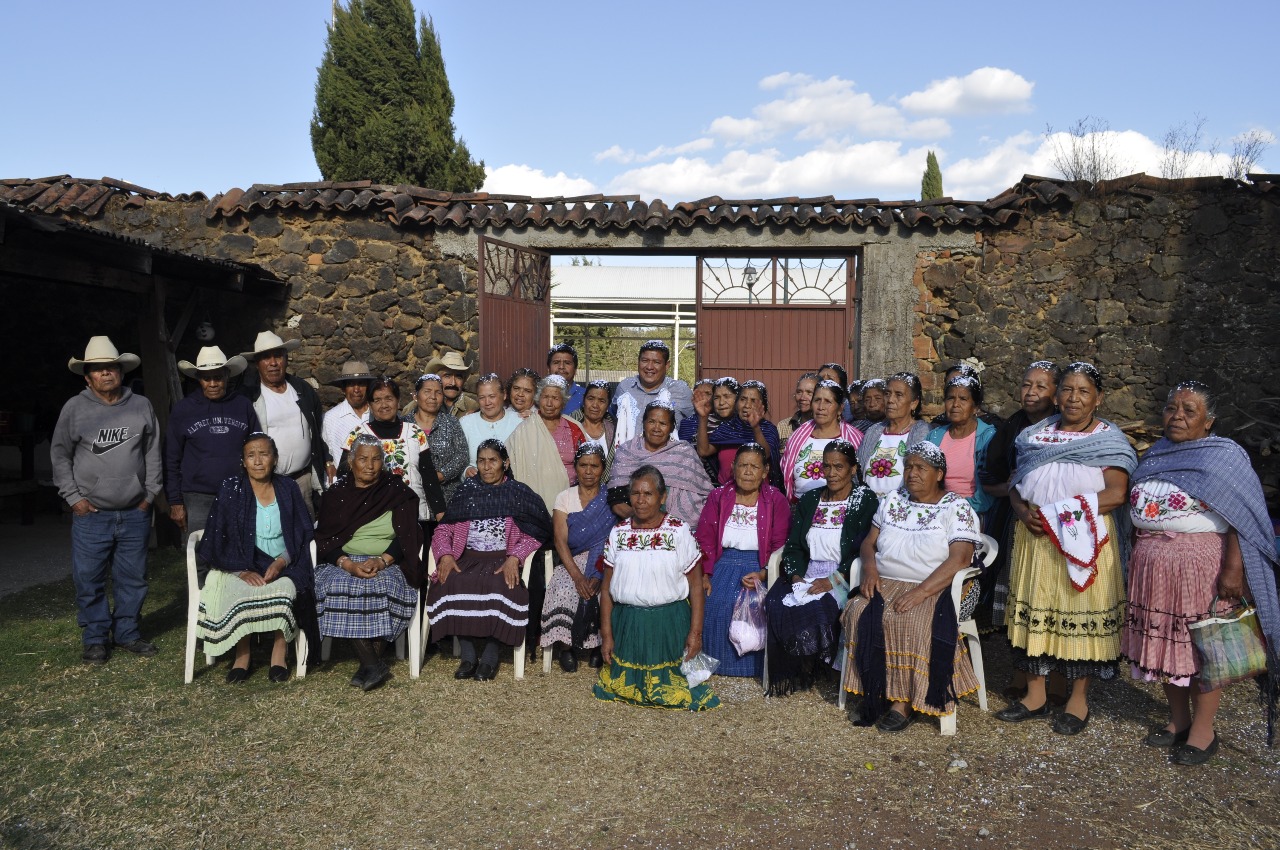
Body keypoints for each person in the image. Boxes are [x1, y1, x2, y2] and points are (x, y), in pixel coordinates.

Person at [1121, 381, 1280, 763]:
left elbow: (1242, 518)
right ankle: (1178, 722)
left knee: (1204, 649)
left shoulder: (1224, 457)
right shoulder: (1157, 453)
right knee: (1165, 647)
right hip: (1152, 567)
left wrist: (1233, 569)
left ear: (1208, 422)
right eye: (1171, 408)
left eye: (1189, 410)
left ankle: (1204, 732)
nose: (1177, 416)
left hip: (1201, 565)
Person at [995, 362, 1137, 736]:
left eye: (1083, 391)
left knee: (1080, 614)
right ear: (1056, 396)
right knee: (1036, 612)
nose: (1074, 398)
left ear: (1098, 398)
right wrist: (1023, 510)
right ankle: (1036, 696)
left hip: (1084, 539)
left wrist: (1061, 514)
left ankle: (1078, 701)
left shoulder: (1108, 439)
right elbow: (1016, 484)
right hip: (1035, 538)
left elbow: (1117, 493)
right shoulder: (1035, 435)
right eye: (1068, 390)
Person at [842, 442, 983, 731]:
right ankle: (876, 690)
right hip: (886, 579)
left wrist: (920, 592)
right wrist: (869, 568)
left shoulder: (956, 507)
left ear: (939, 473)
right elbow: (869, 541)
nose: (912, 473)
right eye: (908, 467)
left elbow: (960, 559)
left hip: (938, 585)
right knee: (858, 611)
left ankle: (904, 702)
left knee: (911, 620)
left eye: (921, 468)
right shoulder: (894, 499)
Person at [52, 336, 162, 663]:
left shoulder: (140, 405)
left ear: (121, 371)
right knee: (89, 578)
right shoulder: (75, 408)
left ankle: (127, 632)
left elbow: (153, 452)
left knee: (133, 578)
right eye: (98, 370)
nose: (105, 374)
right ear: (87, 377)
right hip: (91, 514)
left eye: (111, 367)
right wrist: (74, 499)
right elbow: (59, 456)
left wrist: (150, 495)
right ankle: (96, 636)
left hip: (134, 511)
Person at [593, 465, 720, 711]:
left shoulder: (678, 531)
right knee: (625, 688)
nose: (640, 500)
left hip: (668, 624)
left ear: (662, 497)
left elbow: (696, 586)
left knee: (674, 689)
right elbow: (607, 588)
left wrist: (695, 633)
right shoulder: (618, 533)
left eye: (648, 494)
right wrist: (607, 635)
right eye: (636, 493)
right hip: (628, 623)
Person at [427, 439, 553, 680]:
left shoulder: (518, 493)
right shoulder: (466, 491)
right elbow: (443, 530)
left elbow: (535, 532)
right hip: (467, 558)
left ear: (504, 463)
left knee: (503, 586)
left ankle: (491, 656)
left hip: (501, 559)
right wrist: (444, 554)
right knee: (450, 582)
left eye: (492, 461)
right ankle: (468, 655)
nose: (486, 467)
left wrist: (515, 557)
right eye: (482, 461)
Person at [195, 433, 315, 683]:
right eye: (251, 455)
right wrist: (241, 570)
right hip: (240, 562)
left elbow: (301, 533)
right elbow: (219, 536)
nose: (258, 461)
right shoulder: (231, 488)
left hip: (284, 562)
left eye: (264, 454)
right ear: (243, 461)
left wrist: (281, 561)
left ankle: (279, 653)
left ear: (275, 459)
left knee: (286, 589)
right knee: (236, 589)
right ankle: (242, 655)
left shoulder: (288, 487)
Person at [313, 435, 425, 691]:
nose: (370, 465)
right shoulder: (337, 494)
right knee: (341, 585)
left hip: (388, 561)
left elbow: (409, 534)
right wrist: (348, 564)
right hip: (343, 562)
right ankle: (373, 663)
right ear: (351, 461)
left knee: (381, 585)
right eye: (363, 459)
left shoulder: (396, 492)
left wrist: (383, 560)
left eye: (376, 459)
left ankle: (369, 664)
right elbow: (325, 539)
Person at [767, 440, 877, 695]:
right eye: (826, 466)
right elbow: (794, 546)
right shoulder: (811, 499)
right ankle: (798, 665)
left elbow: (864, 549)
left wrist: (832, 580)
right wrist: (795, 576)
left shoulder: (864, 499)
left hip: (845, 574)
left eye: (839, 466)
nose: (831, 473)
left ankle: (817, 662)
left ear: (853, 469)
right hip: (806, 572)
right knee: (775, 601)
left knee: (819, 606)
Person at [694, 444, 791, 678]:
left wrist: (764, 573)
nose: (748, 472)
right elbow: (704, 538)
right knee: (715, 600)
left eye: (754, 466)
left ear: (765, 471)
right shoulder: (719, 496)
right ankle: (716, 662)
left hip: (760, 566)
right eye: (743, 465)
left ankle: (751, 668)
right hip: (723, 562)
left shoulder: (775, 500)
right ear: (733, 468)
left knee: (753, 605)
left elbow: (780, 544)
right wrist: (705, 574)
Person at [981, 360, 1061, 630]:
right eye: (1026, 385)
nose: (1031, 391)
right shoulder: (1013, 426)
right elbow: (990, 478)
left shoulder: (1066, 427)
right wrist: (1018, 489)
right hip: (1015, 516)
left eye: (1040, 386)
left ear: (1056, 392)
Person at [165, 346, 259, 541]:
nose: (213, 383)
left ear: (227, 376)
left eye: (218, 377)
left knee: (239, 550)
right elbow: (171, 458)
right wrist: (175, 501)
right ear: (199, 379)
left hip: (238, 492)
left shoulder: (243, 405)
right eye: (207, 378)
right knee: (198, 553)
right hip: (197, 497)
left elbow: (257, 448)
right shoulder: (184, 410)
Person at [238, 331, 327, 518]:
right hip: (268, 483)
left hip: (302, 480)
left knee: (306, 534)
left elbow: (318, 429)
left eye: (278, 356)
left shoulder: (302, 389)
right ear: (257, 364)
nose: (273, 363)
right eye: (266, 358)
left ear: (286, 359)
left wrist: (326, 460)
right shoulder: (249, 397)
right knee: (271, 535)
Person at [542, 444, 614, 672]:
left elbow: (612, 539)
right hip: (571, 560)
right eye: (584, 465)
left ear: (603, 468)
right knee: (562, 586)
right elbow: (560, 541)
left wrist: (599, 573)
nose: (589, 471)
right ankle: (566, 647)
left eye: (594, 466)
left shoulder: (610, 498)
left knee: (608, 590)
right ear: (576, 468)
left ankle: (597, 647)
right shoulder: (564, 497)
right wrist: (577, 577)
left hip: (605, 561)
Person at [338, 378, 445, 522]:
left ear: (398, 401)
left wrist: (440, 512)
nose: (384, 405)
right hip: (371, 515)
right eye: (377, 400)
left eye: (389, 398)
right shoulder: (358, 434)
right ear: (369, 405)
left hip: (413, 513)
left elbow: (428, 475)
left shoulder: (414, 432)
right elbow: (344, 475)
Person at [608, 401, 713, 531]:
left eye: (663, 423)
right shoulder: (627, 451)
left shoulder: (685, 452)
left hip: (682, 530)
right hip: (636, 527)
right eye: (651, 422)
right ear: (644, 423)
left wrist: (667, 525)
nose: (656, 428)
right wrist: (647, 523)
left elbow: (704, 494)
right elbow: (616, 501)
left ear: (671, 427)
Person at [508, 375, 587, 513]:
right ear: (539, 399)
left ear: (563, 402)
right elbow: (508, 462)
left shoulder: (574, 428)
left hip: (569, 504)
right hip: (531, 505)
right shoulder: (524, 428)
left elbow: (587, 463)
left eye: (555, 398)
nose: (549, 403)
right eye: (545, 397)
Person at [780, 380, 862, 502]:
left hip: (839, 510)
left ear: (840, 408)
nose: (820, 407)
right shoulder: (798, 436)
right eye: (817, 400)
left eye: (828, 401)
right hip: (799, 509)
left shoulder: (854, 439)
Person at [690, 378, 781, 487]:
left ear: (763, 406)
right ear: (737, 402)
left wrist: (755, 427)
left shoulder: (768, 429)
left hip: (758, 494)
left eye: (753, 401)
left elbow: (765, 454)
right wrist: (703, 418)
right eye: (743, 399)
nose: (747, 405)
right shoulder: (728, 428)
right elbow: (703, 451)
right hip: (726, 494)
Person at [927, 375, 996, 515]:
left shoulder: (988, 437)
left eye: (963, 399)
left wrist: (957, 509)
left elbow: (987, 493)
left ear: (975, 407)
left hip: (974, 511)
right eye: (950, 398)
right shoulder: (934, 436)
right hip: (935, 509)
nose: (955, 404)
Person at [856, 372, 931, 497]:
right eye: (887, 394)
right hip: (871, 508)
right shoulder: (873, 431)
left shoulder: (922, 432)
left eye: (899, 395)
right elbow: (858, 471)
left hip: (902, 508)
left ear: (914, 403)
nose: (890, 400)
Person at [610, 340, 694, 440]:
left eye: (656, 362)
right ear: (638, 361)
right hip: (627, 453)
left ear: (667, 365)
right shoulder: (625, 387)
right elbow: (613, 416)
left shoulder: (681, 391)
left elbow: (694, 423)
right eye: (645, 361)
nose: (649, 367)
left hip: (668, 454)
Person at [407, 374, 469, 504]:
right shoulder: (405, 424)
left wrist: (441, 475)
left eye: (438, 393)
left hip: (448, 496)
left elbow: (462, 455)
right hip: (411, 495)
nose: (433, 397)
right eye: (427, 392)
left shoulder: (451, 422)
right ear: (415, 396)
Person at [322, 360, 373, 485]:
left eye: (361, 384)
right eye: (351, 384)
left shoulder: (377, 414)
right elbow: (324, 451)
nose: (356, 389)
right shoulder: (330, 418)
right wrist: (328, 464)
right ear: (344, 388)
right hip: (345, 485)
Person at [460, 372, 522, 475]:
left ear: (504, 395)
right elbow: (458, 461)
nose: (487, 402)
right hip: (476, 486)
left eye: (492, 396)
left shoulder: (519, 422)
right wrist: (465, 471)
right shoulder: (466, 423)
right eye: (482, 398)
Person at [569, 379, 615, 460]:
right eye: (591, 399)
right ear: (583, 400)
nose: (595, 405)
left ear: (608, 405)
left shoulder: (615, 430)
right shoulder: (569, 426)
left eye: (601, 401)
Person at [423, 351, 478, 418]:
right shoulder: (423, 403)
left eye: (458, 377)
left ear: (463, 381)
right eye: (447, 376)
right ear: (437, 379)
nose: (453, 383)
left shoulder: (473, 407)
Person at [776, 372, 818, 452]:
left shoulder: (823, 427)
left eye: (809, 393)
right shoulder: (783, 426)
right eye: (799, 392)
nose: (802, 397)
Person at [547, 343, 586, 415]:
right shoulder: (538, 396)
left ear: (575, 369)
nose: (561, 367)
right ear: (548, 369)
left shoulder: (587, 397)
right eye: (556, 362)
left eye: (567, 363)